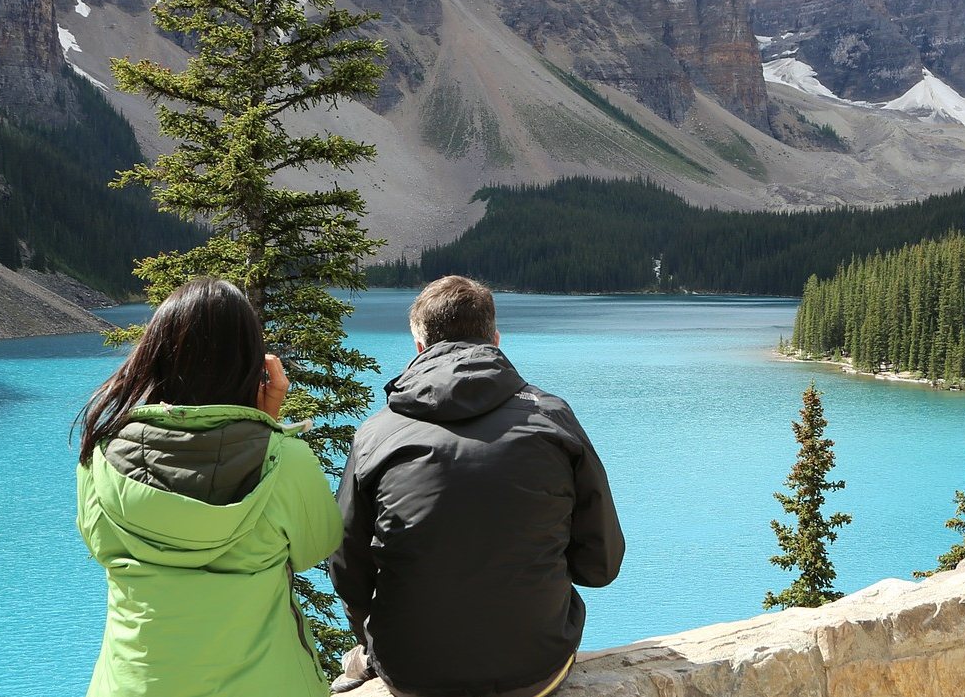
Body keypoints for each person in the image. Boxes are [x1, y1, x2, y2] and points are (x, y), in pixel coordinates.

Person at [330, 275, 625, 697]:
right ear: (496, 340)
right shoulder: (552, 418)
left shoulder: (377, 434)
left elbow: (346, 563)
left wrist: (373, 633)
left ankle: (360, 664)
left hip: (414, 674)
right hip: (536, 668)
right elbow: (601, 564)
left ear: (419, 348)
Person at [76, 276, 341, 697]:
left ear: (154, 358)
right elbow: (317, 546)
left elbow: (98, 545)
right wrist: (266, 423)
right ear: (253, 365)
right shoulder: (284, 460)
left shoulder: (100, 457)